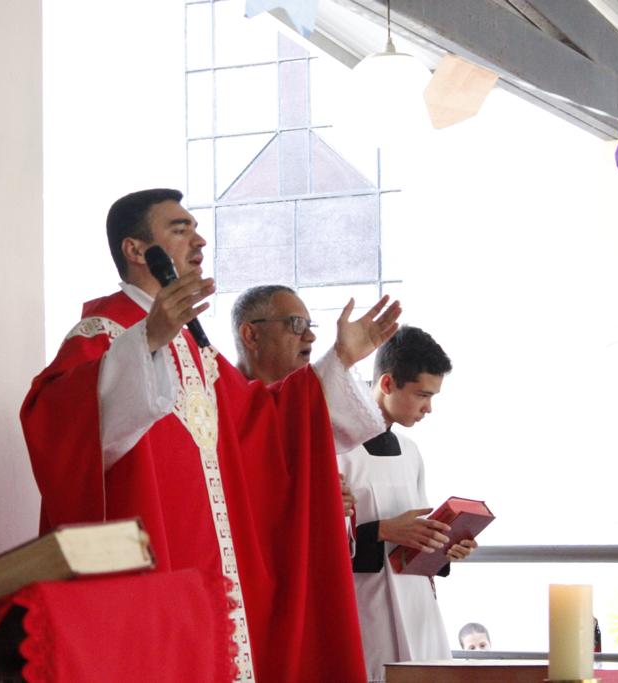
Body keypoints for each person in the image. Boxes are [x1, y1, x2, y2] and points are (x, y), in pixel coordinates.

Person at [21, 189, 399, 682]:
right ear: (137, 251)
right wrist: (147, 341)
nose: (198, 240)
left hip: (213, 575)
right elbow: (56, 427)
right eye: (179, 229)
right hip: (152, 575)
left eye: (195, 228)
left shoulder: (198, 352)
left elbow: (266, 423)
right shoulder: (103, 334)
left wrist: (341, 359)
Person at [338, 325, 477, 682]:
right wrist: (383, 530)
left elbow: (412, 545)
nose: (428, 408)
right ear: (386, 384)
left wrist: (444, 546)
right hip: (365, 609)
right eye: (421, 395)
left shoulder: (412, 452)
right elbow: (317, 545)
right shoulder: (338, 450)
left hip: (419, 608)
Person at [231, 284, 400, 518]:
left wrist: (328, 500)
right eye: (296, 324)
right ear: (251, 335)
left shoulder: (300, 409)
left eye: (309, 326)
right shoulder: (223, 401)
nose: (310, 336)